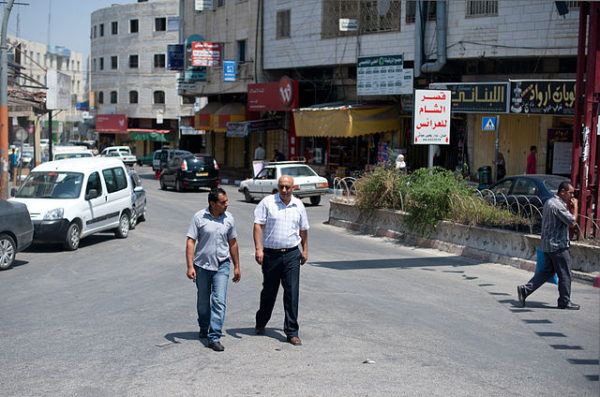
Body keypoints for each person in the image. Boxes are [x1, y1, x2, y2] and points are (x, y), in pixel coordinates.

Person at [253, 175, 309, 346]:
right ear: (278, 187)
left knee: (292, 293)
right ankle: (261, 321)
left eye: (287, 187)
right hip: (271, 255)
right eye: (281, 187)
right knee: (269, 292)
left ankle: (292, 331)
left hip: (292, 254)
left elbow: (303, 229)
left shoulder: (298, 205)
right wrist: (258, 249)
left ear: (293, 188)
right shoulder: (267, 203)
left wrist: (305, 249)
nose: (284, 191)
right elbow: (258, 225)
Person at [186, 187, 241, 351]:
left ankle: (214, 336)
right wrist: (190, 266)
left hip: (222, 265)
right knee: (203, 302)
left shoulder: (229, 219)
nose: (227, 204)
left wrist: (237, 266)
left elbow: (233, 242)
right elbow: (191, 241)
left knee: (219, 301)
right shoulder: (199, 217)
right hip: (202, 266)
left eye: (226, 201)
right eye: (223, 202)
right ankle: (204, 326)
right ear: (212, 203)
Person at [517, 181, 580, 310]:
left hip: (548, 244)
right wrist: (576, 207)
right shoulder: (558, 205)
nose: (572, 196)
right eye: (571, 193)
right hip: (558, 245)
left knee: (547, 271)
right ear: (562, 192)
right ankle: (564, 301)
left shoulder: (550, 202)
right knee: (565, 273)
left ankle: (525, 290)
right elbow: (572, 222)